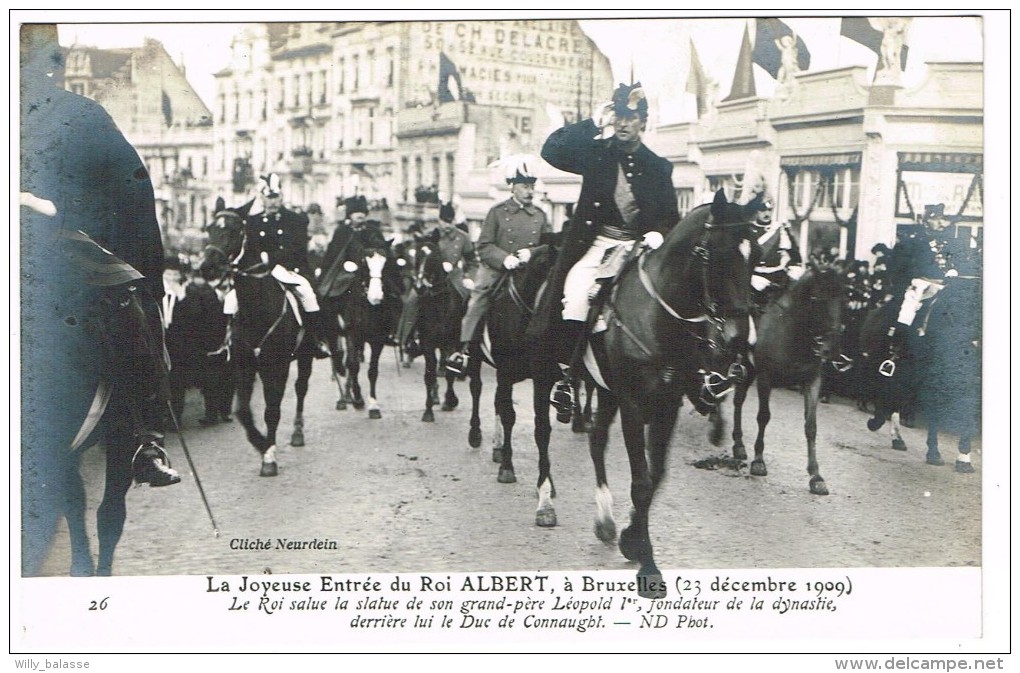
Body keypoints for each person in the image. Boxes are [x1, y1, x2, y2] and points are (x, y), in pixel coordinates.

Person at [529, 82, 679, 421]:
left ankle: (687, 374)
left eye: (631, 118)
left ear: (644, 121)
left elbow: (671, 216)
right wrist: (591, 125)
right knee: (577, 295)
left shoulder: (658, 167)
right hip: (596, 244)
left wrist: (659, 233)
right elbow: (551, 151)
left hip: (638, 246)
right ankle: (566, 378)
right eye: (619, 117)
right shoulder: (598, 152)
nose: (624, 124)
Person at [446, 159, 552, 376]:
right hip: (498, 269)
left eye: (532, 186)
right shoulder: (497, 212)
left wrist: (531, 253)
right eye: (524, 186)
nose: (529, 191)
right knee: (478, 298)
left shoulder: (540, 215)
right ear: (512, 187)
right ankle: (464, 350)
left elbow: (550, 245)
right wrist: (504, 259)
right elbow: (484, 245)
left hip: (530, 270)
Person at [244, 173, 330, 357]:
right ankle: (228, 340)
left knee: (308, 295)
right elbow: (249, 248)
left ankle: (316, 340)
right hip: (259, 272)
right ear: (262, 198)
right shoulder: (253, 222)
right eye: (269, 197)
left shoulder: (295, 220)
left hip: (290, 269)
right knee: (232, 299)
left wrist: (271, 258)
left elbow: (297, 247)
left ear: (282, 197)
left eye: (276, 197)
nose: (273, 202)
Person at [397, 202, 478, 356]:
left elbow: (472, 261)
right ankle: (406, 338)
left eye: (450, 221)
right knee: (412, 301)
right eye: (444, 221)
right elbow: (419, 259)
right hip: (430, 277)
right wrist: (420, 276)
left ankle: (466, 341)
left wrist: (469, 277)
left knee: (469, 301)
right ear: (439, 221)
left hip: (454, 277)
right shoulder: (429, 236)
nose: (447, 225)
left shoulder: (463, 238)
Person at [748, 194, 804, 317]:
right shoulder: (748, 230)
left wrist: (793, 271)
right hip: (751, 281)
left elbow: (795, 257)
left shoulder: (780, 229)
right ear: (756, 211)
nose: (766, 213)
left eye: (769, 210)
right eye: (762, 210)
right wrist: (750, 278)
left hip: (777, 281)